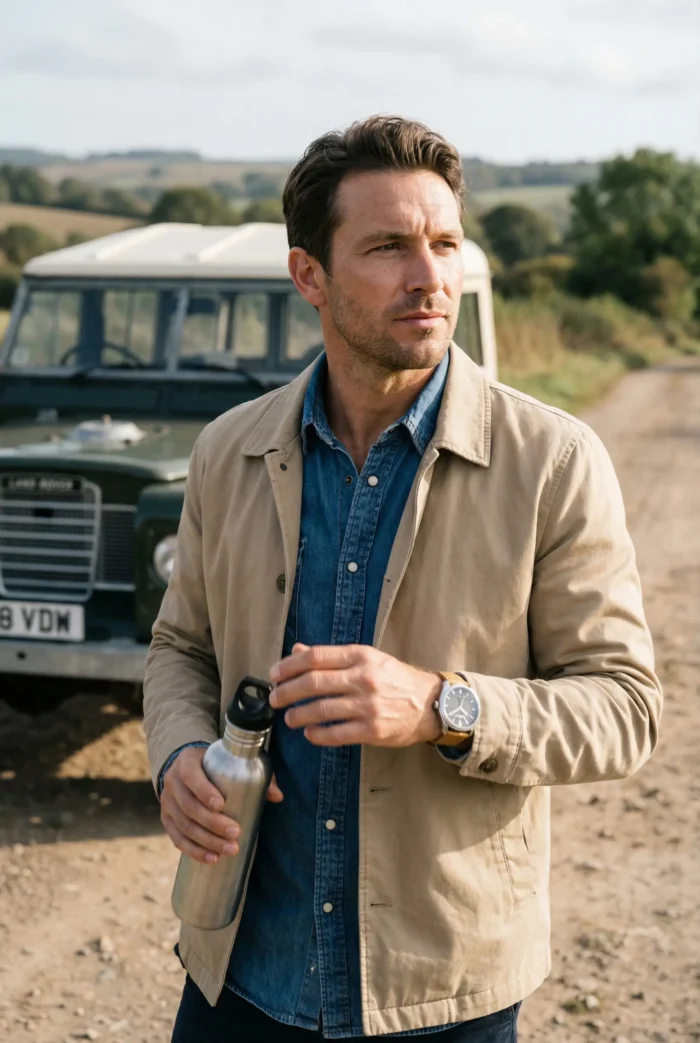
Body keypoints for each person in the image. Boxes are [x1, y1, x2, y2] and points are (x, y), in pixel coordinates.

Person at [143, 115, 662, 1042]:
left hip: (442, 993)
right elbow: (182, 648)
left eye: (446, 243)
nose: (430, 276)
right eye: (388, 246)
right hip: (238, 977)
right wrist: (179, 755)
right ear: (310, 275)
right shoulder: (227, 450)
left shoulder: (555, 460)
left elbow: (626, 709)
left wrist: (442, 706)